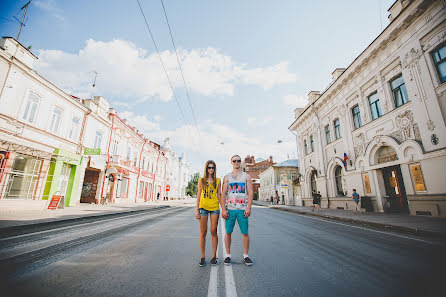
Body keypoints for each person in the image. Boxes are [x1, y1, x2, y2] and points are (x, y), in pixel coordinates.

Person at [221, 155, 253, 266]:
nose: (236, 162)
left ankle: (246, 256)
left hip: (242, 209)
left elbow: (250, 192)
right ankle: (228, 255)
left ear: (241, 162)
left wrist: (248, 207)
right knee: (228, 232)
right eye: (234, 161)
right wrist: (223, 209)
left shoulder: (246, 177)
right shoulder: (227, 177)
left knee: (245, 233)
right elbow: (223, 194)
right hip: (230, 209)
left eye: (238, 161)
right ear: (231, 162)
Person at [195, 160, 221, 267]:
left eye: (212, 168)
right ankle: (202, 257)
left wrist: (223, 208)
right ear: (206, 169)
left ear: (214, 169)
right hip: (203, 208)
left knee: (213, 231)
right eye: (209, 168)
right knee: (203, 233)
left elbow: (219, 195)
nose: (211, 169)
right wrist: (196, 209)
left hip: (214, 207)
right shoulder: (201, 180)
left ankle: (214, 257)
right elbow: (198, 195)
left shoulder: (218, 180)